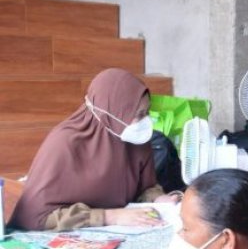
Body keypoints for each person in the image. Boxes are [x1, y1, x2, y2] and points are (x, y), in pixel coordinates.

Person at [10, 68, 179, 231]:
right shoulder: (65, 143)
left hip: (125, 230)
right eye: (139, 114)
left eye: (147, 112)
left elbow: (145, 186)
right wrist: (108, 217)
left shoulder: (136, 140)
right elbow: (34, 216)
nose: (146, 121)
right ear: (112, 113)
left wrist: (158, 198)